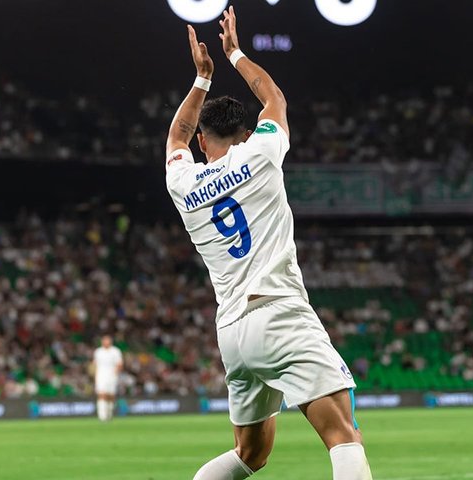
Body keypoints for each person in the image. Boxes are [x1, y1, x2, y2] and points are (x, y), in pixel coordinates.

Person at [164, 7, 371, 479]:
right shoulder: (260, 152)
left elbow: (176, 134)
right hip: (278, 311)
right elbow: (273, 97)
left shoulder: (183, 183)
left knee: (250, 454)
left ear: (202, 143)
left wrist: (201, 79)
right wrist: (234, 52)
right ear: (246, 134)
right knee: (344, 434)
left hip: (232, 332)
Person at [93, 335, 123, 422]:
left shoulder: (115, 351)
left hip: (112, 375)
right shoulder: (98, 351)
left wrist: (116, 374)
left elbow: (119, 364)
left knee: (110, 395)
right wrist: (95, 375)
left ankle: (109, 413)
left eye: (107, 340)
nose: (106, 342)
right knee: (101, 394)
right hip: (101, 375)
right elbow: (95, 364)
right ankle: (102, 416)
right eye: (104, 340)